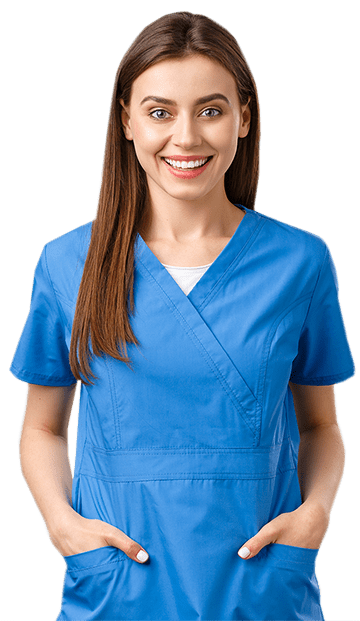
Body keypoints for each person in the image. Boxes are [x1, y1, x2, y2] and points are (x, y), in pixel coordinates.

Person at [9, 10, 356, 621]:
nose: (187, 138)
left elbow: (321, 428)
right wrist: (62, 525)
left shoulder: (300, 262)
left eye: (212, 110)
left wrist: (316, 515)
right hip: (116, 588)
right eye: (161, 111)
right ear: (126, 120)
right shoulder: (69, 263)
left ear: (243, 118)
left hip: (261, 589)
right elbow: (41, 428)